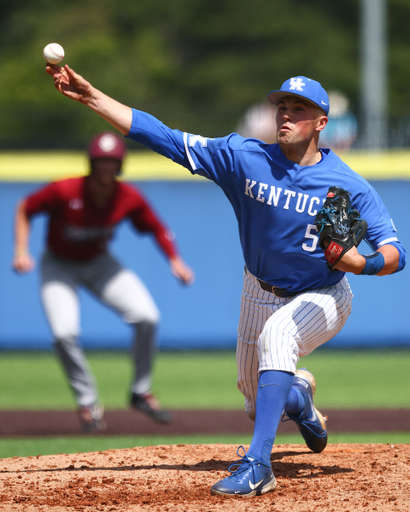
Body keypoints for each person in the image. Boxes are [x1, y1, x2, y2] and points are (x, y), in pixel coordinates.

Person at [45, 65, 406, 495]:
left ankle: (258, 465)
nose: (286, 115)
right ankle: (299, 397)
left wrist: (362, 264)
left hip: (323, 294)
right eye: (282, 107)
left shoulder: (349, 184)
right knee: (259, 403)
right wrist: (92, 97)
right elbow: (163, 136)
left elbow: (395, 252)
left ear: (321, 123)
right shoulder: (245, 158)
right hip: (258, 290)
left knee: (278, 335)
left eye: (300, 109)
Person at [13, 131, 194, 432]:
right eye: (101, 161)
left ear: (120, 164)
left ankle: (141, 391)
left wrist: (175, 259)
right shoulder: (64, 190)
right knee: (63, 334)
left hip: (100, 263)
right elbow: (25, 208)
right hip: (59, 264)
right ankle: (88, 402)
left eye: (112, 162)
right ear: (91, 163)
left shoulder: (128, 196)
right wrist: (21, 250)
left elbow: (157, 228)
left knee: (147, 317)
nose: (106, 167)